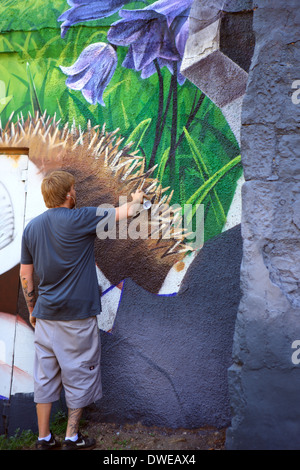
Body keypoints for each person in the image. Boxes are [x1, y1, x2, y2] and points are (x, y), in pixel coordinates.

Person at [20, 170, 146, 450]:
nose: (75, 193)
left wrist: (32, 309)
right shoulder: (82, 217)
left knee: (45, 375)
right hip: (76, 317)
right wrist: (137, 198)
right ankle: (71, 438)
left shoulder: (32, 228)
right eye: (74, 189)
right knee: (79, 375)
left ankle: (43, 439)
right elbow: (127, 211)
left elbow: (26, 276)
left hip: (45, 316)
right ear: (68, 194)